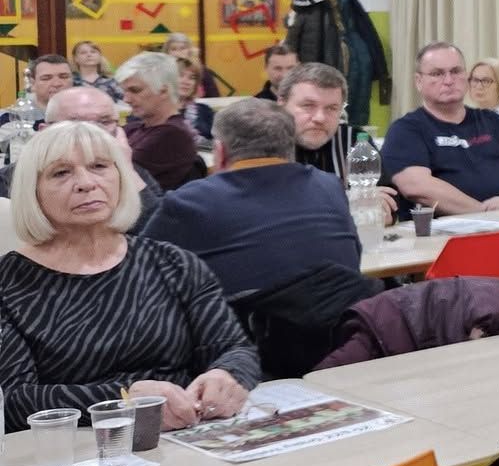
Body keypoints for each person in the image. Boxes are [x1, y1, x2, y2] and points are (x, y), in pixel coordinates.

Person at [0, 121, 258, 432]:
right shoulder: (8, 284)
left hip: (186, 434)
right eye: (61, 173)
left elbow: (234, 348)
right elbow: (14, 400)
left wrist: (226, 375)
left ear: (121, 177)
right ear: (32, 192)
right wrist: (123, 400)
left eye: (99, 166)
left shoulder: (173, 263)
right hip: (76, 446)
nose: (86, 183)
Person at [138, 100, 359, 298]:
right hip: (342, 324)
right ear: (290, 147)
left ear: (220, 152)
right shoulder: (330, 186)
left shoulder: (191, 202)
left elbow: (138, 271)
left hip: (242, 329)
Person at [382, 42, 499, 214]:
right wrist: (485, 213)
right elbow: (417, 186)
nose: (449, 81)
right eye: (437, 74)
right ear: (419, 81)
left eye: (456, 71)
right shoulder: (405, 130)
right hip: (445, 227)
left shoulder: (495, 121)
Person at [0, 87, 167, 231]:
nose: (92, 132)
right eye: (76, 123)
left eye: (104, 122)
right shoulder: (11, 178)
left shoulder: (133, 172)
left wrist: (128, 171)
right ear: (45, 131)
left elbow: (160, 234)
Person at [280, 61, 399, 223]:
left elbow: (388, 205)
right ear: (281, 104)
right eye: (308, 105)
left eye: (331, 108)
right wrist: (345, 203)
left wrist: (377, 210)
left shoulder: (355, 141)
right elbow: (263, 208)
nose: (320, 118)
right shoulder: (263, 143)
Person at [114, 52, 202, 190]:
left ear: (163, 91)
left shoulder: (172, 135)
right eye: (125, 91)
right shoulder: (135, 128)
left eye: (135, 90)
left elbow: (115, 175)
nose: (126, 99)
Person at [0, 53, 74, 128]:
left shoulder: (81, 114)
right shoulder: (8, 118)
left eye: (64, 77)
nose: (56, 83)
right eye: (46, 78)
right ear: (32, 83)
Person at [160, 33, 221, 97]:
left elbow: (214, 97)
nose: (178, 53)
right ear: (167, 52)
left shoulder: (201, 71)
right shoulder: (161, 72)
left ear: (189, 51)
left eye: (182, 48)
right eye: (174, 49)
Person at [173, 56, 215, 142]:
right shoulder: (160, 113)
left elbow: (220, 139)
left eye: (192, 78)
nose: (186, 82)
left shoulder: (205, 110)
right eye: (181, 75)